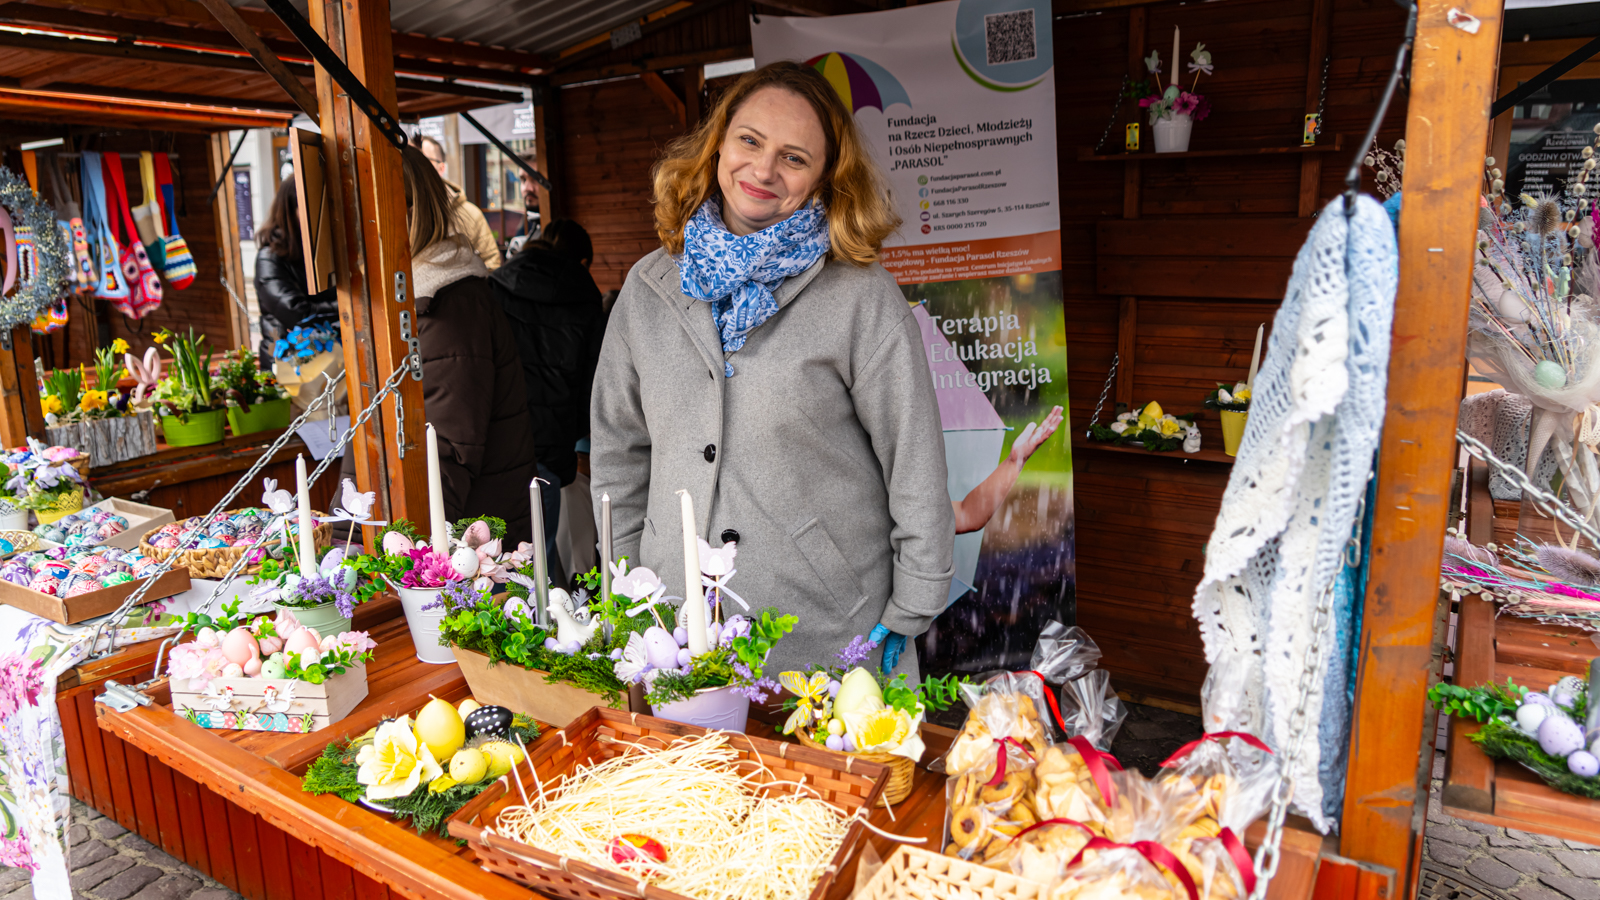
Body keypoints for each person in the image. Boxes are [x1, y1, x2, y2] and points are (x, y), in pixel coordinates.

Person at [590, 61, 954, 677]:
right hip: (672, 630)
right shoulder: (647, 287)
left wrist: (915, 599)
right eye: (750, 141)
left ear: (824, 177)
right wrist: (627, 581)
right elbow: (618, 450)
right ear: (718, 145)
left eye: (793, 157)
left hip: (822, 631)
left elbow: (913, 454)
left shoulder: (860, 296)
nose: (762, 170)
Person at [399, 143, 538, 545]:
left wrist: (411, 558)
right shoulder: (426, 297)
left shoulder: (448, 307)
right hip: (468, 537)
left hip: (474, 549)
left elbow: (448, 451)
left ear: (406, 215)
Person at [489, 219, 606, 576]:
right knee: (543, 556)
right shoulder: (584, 294)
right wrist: (573, 431)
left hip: (502, 442)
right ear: (581, 260)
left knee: (494, 560)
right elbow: (593, 379)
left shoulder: (498, 283)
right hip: (552, 443)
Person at [254, 181, 337, 370]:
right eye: (310, 207)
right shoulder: (269, 257)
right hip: (288, 365)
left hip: (326, 357)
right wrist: (347, 306)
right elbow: (296, 313)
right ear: (290, 211)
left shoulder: (321, 252)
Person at [414, 134, 502, 271]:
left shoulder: (470, 214)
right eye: (413, 162)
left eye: (425, 161)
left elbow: (491, 264)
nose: (417, 168)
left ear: (441, 168)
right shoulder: (403, 213)